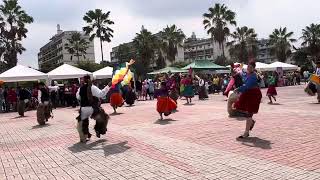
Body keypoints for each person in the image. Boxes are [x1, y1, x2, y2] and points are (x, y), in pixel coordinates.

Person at [76, 75, 110, 142]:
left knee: (84, 122)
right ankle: (98, 130)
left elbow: (78, 97)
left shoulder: (80, 88)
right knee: (104, 117)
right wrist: (108, 86)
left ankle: (84, 136)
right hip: (93, 109)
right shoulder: (93, 87)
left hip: (83, 109)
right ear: (91, 80)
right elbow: (101, 94)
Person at [233, 61, 262, 139]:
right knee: (238, 107)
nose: (248, 68)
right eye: (248, 66)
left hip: (254, 95)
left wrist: (238, 89)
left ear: (253, 68)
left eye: (250, 67)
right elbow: (243, 79)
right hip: (247, 94)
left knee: (249, 113)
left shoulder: (253, 76)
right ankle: (251, 122)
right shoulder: (247, 74)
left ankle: (246, 132)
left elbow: (247, 85)